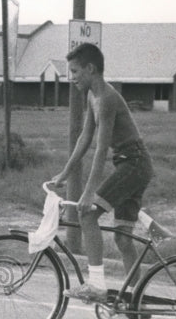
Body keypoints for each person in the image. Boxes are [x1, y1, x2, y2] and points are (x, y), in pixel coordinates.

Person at [46, 43, 154, 303]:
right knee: (122, 240)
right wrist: (64, 173)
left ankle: (96, 285)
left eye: (74, 71)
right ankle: (135, 303)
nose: (70, 78)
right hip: (133, 164)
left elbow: (101, 150)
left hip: (133, 164)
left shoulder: (105, 98)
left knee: (88, 214)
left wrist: (88, 193)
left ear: (90, 69)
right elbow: (85, 137)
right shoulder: (93, 96)